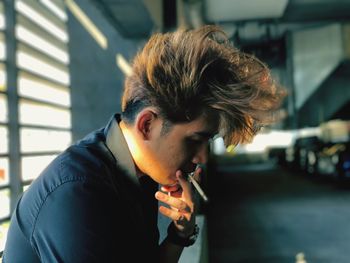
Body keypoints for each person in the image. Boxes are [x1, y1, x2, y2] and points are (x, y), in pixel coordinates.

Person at [3, 25, 285, 262]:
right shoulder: (77, 191)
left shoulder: (137, 174)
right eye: (195, 140)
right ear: (147, 124)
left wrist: (180, 233)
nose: (201, 157)